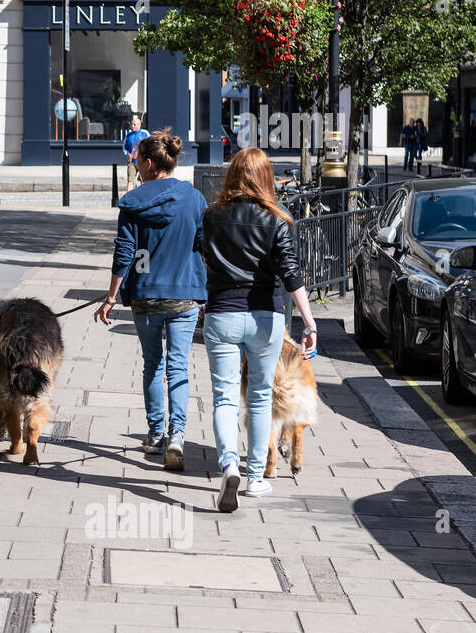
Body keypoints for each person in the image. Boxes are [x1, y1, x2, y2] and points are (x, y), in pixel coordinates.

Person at [199, 148, 317, 512]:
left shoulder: (211, 216)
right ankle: (254, 480)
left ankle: (229, 465)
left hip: (221, 314)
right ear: (266, 178)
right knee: (262, 395)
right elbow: (291, 274)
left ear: (232, 174)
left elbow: (200, 256)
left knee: (224, 397)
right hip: (265, 317)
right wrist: (309, 321)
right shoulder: (277, 220)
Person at [95, 130, 207, 470]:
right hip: (184, 295)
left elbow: (126, 253)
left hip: (145, 295)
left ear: (147, 162)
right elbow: (203, 244)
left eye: (137, 161)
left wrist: (111, 296)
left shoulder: (133, 203)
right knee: (177, 366)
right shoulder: (194, 199)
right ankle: (177, 434)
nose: (136, 166)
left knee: (153, 364)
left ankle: (156, 434)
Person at [123, 115, 150, 193]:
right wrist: (127, 153)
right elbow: (125, 147)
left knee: (143, 180)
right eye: (132, 124)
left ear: (139, 125)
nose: (132, 126)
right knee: (130, 180)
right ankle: (129, 198)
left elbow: (151, 145)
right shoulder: (128, 135)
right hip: (132, 161)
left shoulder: (145, 133)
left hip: (142, 161)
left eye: (134, 124)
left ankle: (143, 197)